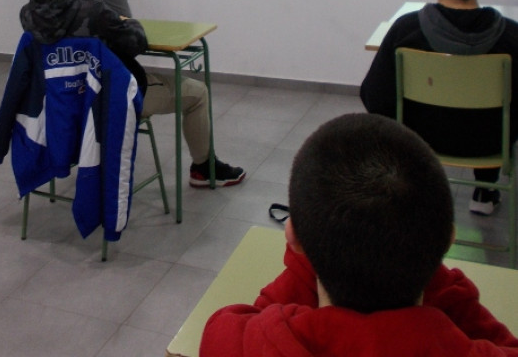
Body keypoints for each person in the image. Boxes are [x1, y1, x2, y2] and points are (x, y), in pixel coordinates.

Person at [200, 113, 518, 357]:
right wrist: (419, 256)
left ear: (293, 237)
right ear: (447, 240)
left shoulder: (249, 342)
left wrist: (313, 249)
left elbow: (236, 324)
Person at [9, 0, 244, 187]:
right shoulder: (95, 13)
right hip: (109, 103)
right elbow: (137, 43)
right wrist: (124, 21)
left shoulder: (27, 15)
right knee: (197, 93)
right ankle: (204, 168)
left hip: (60, 108)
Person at [360, 0, 518, 215]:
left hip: (420, 139)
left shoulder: (406, 30)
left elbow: (373, 95)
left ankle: (416, 182)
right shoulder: (512, 36)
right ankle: (485, 190)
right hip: (491, 143)